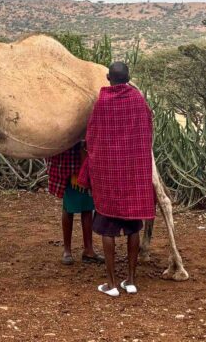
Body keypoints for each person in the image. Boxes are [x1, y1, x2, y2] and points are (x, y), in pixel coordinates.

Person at [79, 61, 155, 297]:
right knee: (133, 229)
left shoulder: (102, 103)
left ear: (108, 78)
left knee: (108, 231)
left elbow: (91, 137)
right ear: (128, 77)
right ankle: (131, 280)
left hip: (109, 177)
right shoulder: (138, 101)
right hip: (133, 175)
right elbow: (148, 131)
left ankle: (111, 284)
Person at [46, 141, 103, 265]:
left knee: (87, 208)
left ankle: (88, 249)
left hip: (86, 163)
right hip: (67, 164)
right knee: (69, 208)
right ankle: (67, 250)